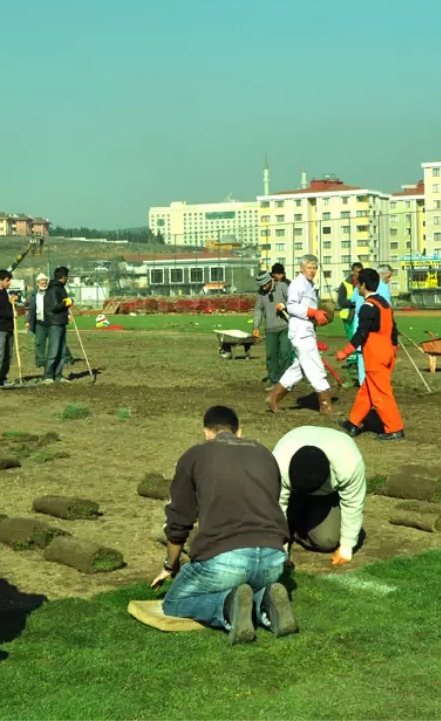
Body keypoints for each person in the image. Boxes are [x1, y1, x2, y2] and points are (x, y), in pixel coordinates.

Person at [153, 406, 297, 644]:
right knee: (250, 579)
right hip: (273, 559)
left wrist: (170, 565)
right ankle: (265, 599)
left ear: (206, 433)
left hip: (226, 560)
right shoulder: (264, 454)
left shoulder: (195, 455)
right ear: (239, 431)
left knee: (173, 602)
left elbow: (179, 520)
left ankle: (228, 605)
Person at [272, 425, 366, 565]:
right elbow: (276, 507)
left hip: (326, 497)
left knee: (327, 540)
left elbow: (353, 504)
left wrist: (346, 547)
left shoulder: (349, 463)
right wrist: (280, 551)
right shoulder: (279, 462)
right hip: (293, 494)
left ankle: (297, 524)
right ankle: (293, 522)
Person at [337, 268, 404, 440]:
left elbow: (361, 333)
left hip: (375, 356)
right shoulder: (384, 303)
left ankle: (394, 428)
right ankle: (353, 423)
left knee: (381, 394)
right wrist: (393, 349)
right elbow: (394, 330)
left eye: (358, 284)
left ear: (364, 286)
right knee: (366, 391)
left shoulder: (368, 307)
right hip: (387, 352)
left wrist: (345, 352)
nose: (357, 287)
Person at [267, 254, 334, 414]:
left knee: (299, 369)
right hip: (301, 333)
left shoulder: (309, 284)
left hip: (306, 331)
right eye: (310, 268)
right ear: (301, 268)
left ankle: (273, 397)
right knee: (316, 367)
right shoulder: (298, 284)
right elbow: (291, 307)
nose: (313, 271)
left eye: (315, 268)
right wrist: (313, 312)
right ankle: (326, 405)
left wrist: (319, 314)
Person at [354, 265, 395, 386]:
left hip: (363, 333)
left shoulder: (360, 290)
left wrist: (346, 351)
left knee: (364, 364)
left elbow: (352, 301)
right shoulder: (382, 288)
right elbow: (388, 309)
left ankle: (366, 386)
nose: (390, 278)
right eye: (389, 276)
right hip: (379, 335)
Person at [253, 269, 293, 389]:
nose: (264, 287)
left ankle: (285, 381)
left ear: (271, 280)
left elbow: (293, 301)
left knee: (285, 353)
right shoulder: (261, 293)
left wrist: (285, 306)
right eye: (261, 285)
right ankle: (275, 381)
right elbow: (258, 310)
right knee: (271, 356)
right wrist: (256, 327)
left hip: (285, 326)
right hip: (270, 329)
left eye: (265, 284)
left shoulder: (282, 286)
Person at [27, 273, 74, 372]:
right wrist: (28, 321)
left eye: (45, 281)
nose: (43, 283)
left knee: (56, 343)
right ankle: (41, 361)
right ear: (37, 283)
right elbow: (32, 308)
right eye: (41, 281)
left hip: (52, 321)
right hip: (40, 322)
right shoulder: (35, 294)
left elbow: (62, 303)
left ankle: (67, 358)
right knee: (39, 342)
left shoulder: (52, 292)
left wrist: (68, 314)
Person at [42, 266, 73, 383]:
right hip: (54, 322)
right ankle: (48, 376)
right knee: (54, 349)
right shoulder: (53, 289)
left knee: (61, 350)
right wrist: (65, 303)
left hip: (61, 321)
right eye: (67, 277)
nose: (67, 279)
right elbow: (53, 307)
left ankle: (58, 374)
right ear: (63, 277)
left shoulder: (61, 288)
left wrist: (67, 304)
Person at [336, 262, 363, 366]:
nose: (359, 274)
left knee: (359, 338)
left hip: (360, 315)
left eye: (361, 272)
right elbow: (341, 302)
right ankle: (354, 361)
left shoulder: (363, 283)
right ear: (353, 271)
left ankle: (357, 360)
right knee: (353, 339)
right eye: (357, 272)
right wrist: (353, 302)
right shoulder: (344, 284)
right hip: (348, 316)